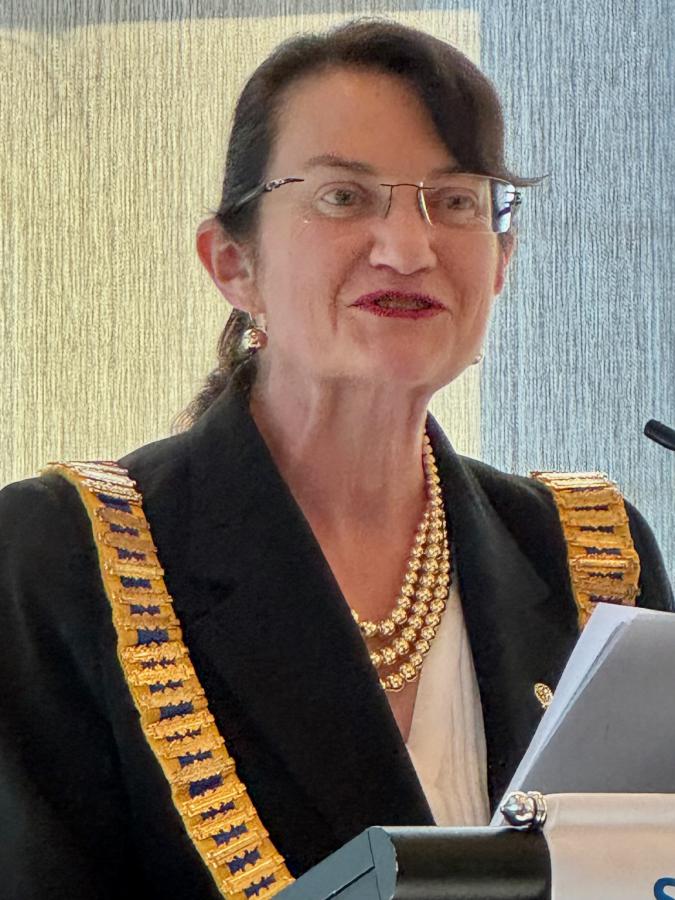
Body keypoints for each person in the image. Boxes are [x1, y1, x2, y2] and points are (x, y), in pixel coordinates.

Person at [0, 19, 672, 900]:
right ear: (233, 263)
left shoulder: (589, 557)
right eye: (344, 198)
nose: (408, 248)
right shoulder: (63, 557)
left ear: (501, 259)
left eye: (455, 201)